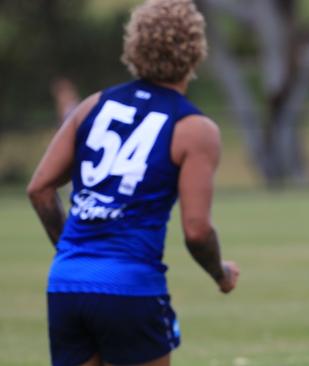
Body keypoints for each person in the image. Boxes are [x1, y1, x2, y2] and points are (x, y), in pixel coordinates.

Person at [26, 1, 239, 365]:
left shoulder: (93, 105)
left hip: (66, 283)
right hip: (130, 287)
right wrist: (221, 274)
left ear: (134, 44)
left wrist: (75, 254)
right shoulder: (194, 129)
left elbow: (40, 189)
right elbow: (197, 231)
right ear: (195, 50)